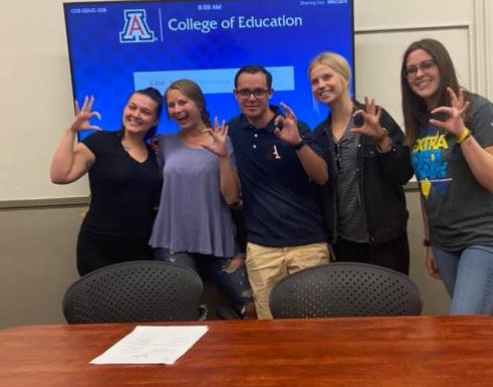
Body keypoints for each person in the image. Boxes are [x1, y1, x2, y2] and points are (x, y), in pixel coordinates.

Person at [400, 38, 493, 315]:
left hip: (486, 237)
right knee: (478, 326)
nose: (419, 74)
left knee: (464, 322)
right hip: (445, 244)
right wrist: (430, 242)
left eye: (427, 65)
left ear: (442, 66)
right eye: (411, 70)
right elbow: (427, 186)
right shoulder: (420, 122)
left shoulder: (477, 108)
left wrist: (462, 133)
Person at [228, 65, 330, 319]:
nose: (252, 98)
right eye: (245, 92)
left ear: (270, 93)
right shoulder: (232, 132)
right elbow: (231, 195)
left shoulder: (295, 126)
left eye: (259, 92)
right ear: (235, 95)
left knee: (314, 324)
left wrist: (297, 143)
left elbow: (321, 176)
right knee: (269, 327)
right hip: (262, 249)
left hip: (307, 244)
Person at [149, 79, 254, 319]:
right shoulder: (163, 144)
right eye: (171, 105)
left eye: (182, 102)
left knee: (251, 309)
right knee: (180, 313)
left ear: (198, 104)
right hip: (173, 239)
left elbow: (231, 197)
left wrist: (222, 157)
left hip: (218, 238)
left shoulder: (222, 140)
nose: (177, 110)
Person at [309, 52, 412, 274]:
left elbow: (403, 173)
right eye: (315, 81)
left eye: (327, 77)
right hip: (344, 243)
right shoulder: (319, 135)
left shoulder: (375, 118)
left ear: (345, 78)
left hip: (385, 239)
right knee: (354, 308)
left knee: (393, 307)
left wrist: (381, 139)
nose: (321, 85)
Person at [50, 88, 163, 276]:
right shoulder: (100, 142)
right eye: (132, 107)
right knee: (102, 305)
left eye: (145, 112)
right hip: (98, 248)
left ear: (156, 120)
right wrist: (71, 131)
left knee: (138, 304)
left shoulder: (156, 153)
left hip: (141, 248)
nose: (136, 114)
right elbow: (60, 175)